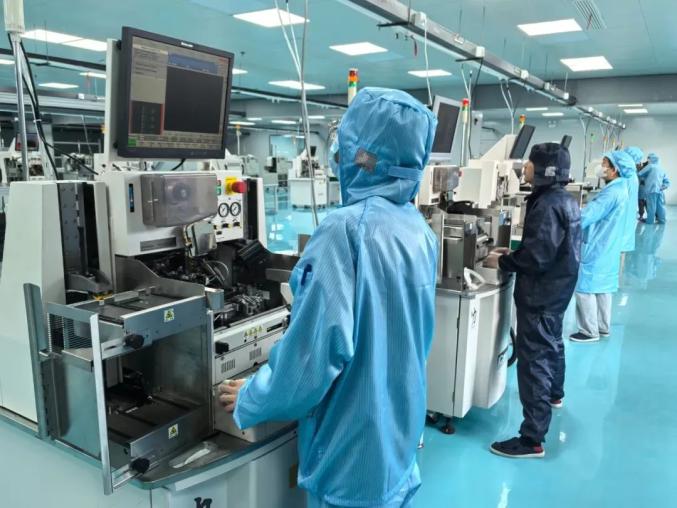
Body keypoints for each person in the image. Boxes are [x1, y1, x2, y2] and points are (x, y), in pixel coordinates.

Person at [219, 88, 439, 508]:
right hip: (397, 438)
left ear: (362, 156)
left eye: (345, 146)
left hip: (351, 454)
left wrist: (252, 395)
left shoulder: (345, 231)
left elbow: (310, 362)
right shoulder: (419, 230)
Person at [485, 143, 581, 459]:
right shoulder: (565, 199)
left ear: (543, 170)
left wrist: (503, 261)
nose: (523, 167)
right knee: (553, 343)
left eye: (528, 162)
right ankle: (555, 394)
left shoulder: (546, 205)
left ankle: (531, 439)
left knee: (534, 361)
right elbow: (548, 249)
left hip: (540, 295)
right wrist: (515, 253)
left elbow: (537, 258)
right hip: (558, 290)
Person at [570, 150, 633, 343]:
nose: (601, 167)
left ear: (615, 169)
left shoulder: (611, 193)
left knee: (585, 287)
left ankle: (589, 331)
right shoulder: (620, 188)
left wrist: (565, 218)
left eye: (605, 163)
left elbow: (587, 217)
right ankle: (602, 327)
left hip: (597, 243)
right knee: (603, 288)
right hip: (608, 244)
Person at [640, 153, 671, 224]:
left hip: (651, 190)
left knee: (651, 207)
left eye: (648, 159)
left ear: (651, 159)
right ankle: (662, 221)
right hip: (660, 191)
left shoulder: (650, 166)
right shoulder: (661, 168)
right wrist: (661, 187)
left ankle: (650, 221)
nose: (648, 160)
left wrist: (643, 179)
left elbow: (640, 174)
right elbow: (667, 182)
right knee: (660, 206)